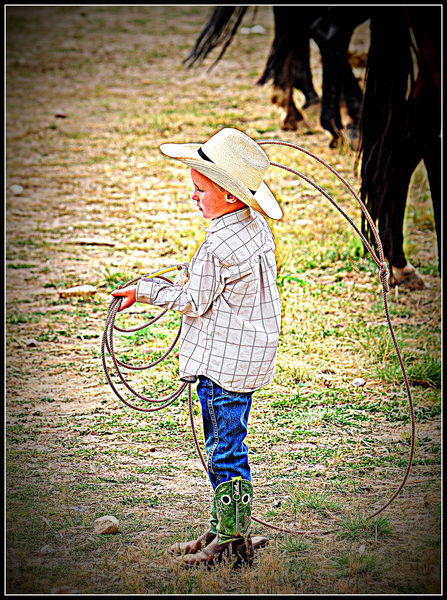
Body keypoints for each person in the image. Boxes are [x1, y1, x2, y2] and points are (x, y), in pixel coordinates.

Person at [111, 127, 283, 566]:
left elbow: (192, 301)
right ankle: (224, 529)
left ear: (227, 196)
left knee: (224, 450)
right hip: (247, 357)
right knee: (227, 446)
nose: (193, 197)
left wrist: (145, 290)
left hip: (222, 364)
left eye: (199, 189)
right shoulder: (253, 226)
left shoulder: (216, 244)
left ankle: (230, 543)